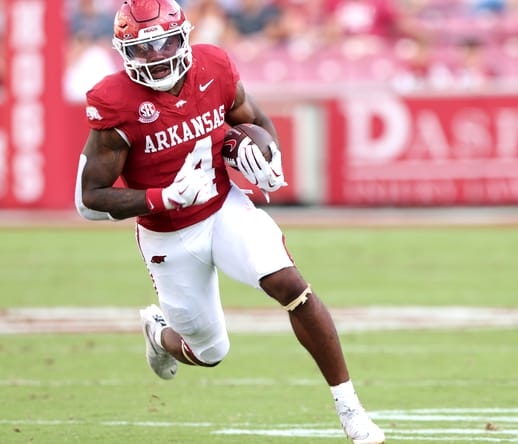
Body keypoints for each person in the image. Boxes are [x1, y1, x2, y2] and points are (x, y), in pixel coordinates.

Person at [74, 1, 385, 443]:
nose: (157, 56)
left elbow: (254, 120)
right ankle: (158, 333)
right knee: (209, 351)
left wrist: (269, 158)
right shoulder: (115, 101)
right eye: (144, 48)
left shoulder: (214, 66)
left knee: (291, 286)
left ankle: (350, 407)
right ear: (125, 52)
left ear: (184, 36)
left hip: (223, 208)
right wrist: (161, 197)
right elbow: (88, 199)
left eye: (164, 42)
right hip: (168, 237)